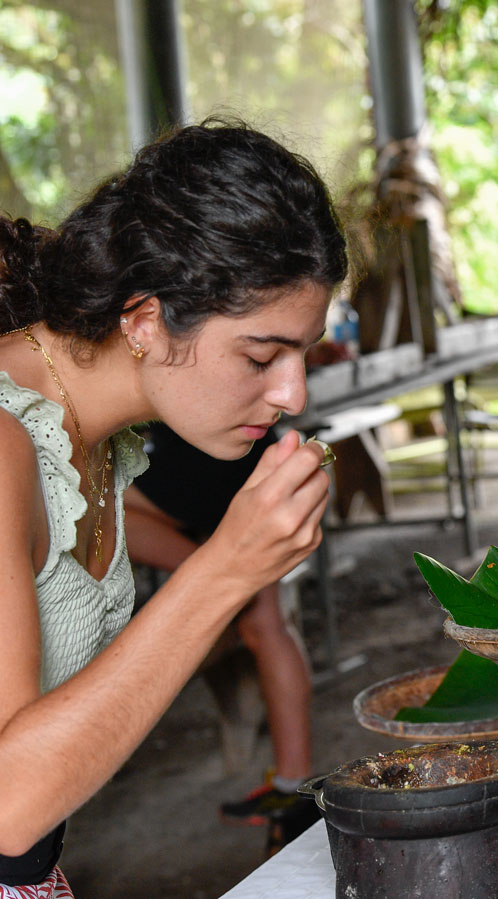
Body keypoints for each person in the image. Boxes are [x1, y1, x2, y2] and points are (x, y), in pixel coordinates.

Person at [0, 119, 346, 893]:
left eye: (304, 354)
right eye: (261, 355)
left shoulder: (97, 438)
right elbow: (7, 807)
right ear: (145, 319)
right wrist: (226, 567)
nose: (292, 394)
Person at [123, 422, 315, 829]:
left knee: (92, 506)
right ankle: (294, 785)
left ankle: (224, 574)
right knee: (266, 625)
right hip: (253, 452)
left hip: (216, 455)